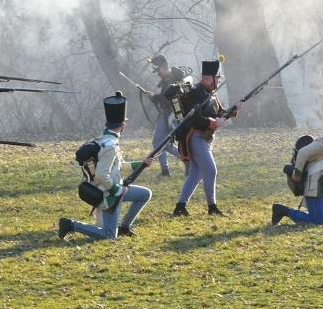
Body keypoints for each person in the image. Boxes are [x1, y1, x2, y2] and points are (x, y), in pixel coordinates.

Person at [58, 92, 154, 240]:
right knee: (109, 235)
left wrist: (141, 164)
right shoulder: (110, 146)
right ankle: (71, 225)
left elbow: (119, 166)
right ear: (123, 125)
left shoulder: (106, 139)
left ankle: (124, 227)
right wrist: (118, 190)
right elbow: (102, 175)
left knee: (144, 194)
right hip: (108, 194)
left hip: (112, 189)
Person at [172, 58, 239, 217]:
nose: (220, 80)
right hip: (196, 137)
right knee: (210, 170)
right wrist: (212, 122)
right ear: (209, 78)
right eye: (218, 77)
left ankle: (180, 207)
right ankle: (212, 207)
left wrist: (233, 110)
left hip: (206, 139)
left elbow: (219, 115)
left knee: (196, 172)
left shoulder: (210, 94)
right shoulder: (196, 93)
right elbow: (194, 118)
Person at [147, 54, 188, 176]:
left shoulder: (173, 79)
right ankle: (165, 170)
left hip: (174, 114)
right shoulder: (166, 80)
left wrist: (155, 96)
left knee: (165, 143)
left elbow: (168, 98)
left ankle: (186, 160)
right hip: (165, 113)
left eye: (158, 70)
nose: (158, 73)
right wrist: (153, 97)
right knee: (157, 142)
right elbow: (162, 100)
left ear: (164, 67)